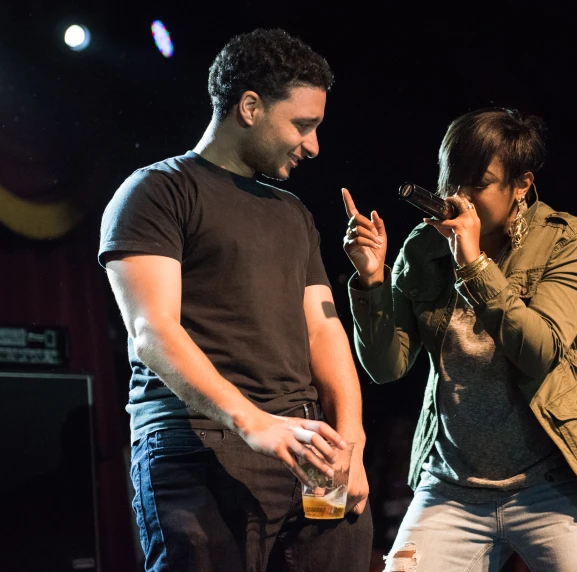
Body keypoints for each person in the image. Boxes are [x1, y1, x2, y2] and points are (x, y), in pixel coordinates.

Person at [99, 28, 372, 572]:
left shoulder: (293, 212)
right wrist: (254, 423)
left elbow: (324, 330)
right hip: (199, 445)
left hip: (306, 448)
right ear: (250, 106)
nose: (313, 145)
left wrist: (352, 442)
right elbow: (153, 331)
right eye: (303, 125)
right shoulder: (157, 190)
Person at [342, 107, 577, 571]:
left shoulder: (564, 240)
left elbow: (539, 351)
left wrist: (474, 264)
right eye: (451, 182)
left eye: (477, 183)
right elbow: (387, 367)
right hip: (451, 485)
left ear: (521, 185)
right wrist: (372, 281)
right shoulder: (424, 248)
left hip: (553, 479)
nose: (458, 198)